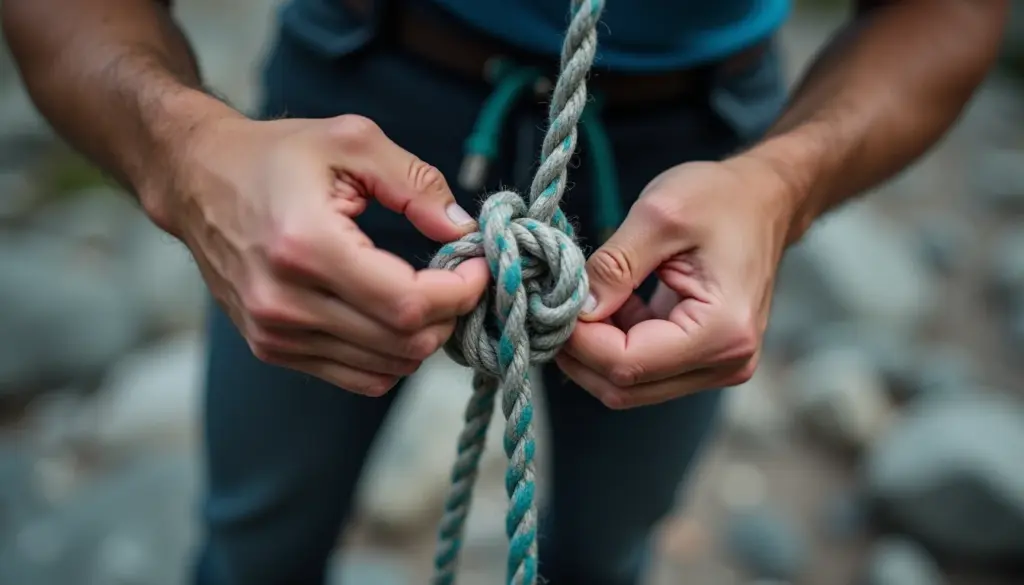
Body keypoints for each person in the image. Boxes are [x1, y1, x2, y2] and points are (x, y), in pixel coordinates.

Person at [3, 0, 1008, 583]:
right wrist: (184, 153)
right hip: (350, 100)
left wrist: (784, 185)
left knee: (608, 550)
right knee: (255, 531)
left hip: (698, 149)